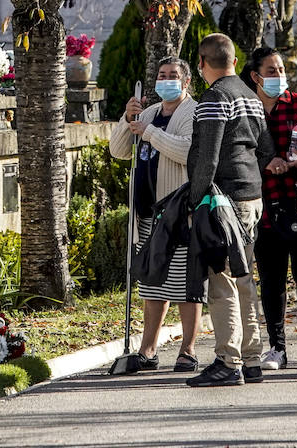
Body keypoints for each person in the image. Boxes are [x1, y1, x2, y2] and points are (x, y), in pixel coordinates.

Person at [184, 33, 274, 388]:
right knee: (244, 278)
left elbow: (207, 158)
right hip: (253, 196)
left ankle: (227, 360)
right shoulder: (251, 97)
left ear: (202, 64)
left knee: (220, 282)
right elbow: (265, 149)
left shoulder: (213, 98)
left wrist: (196, 201)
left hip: (223, 200)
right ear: (234, 61)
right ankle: (252, 359)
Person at [109, 57, 202, 373]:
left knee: (184, 284)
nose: (166, 80)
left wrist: (149, 133)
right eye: (162, 75)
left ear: (185, 82)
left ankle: (187, 349)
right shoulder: (148, 113)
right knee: (153, 284)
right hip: (147, 212)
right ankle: (147, 350)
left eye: (173, 76)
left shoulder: (193, 113)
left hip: (178, 212)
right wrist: (127, 118)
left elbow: (189, 152)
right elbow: (118, 151)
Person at [242, 46, 297, 371]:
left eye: (281, 70)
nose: (278, 76)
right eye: (271, 70)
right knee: (271, 279)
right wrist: (266, 163)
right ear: (255, 76)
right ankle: (276, 347)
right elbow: (235, 154)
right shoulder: (246, 111)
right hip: (262, 207)